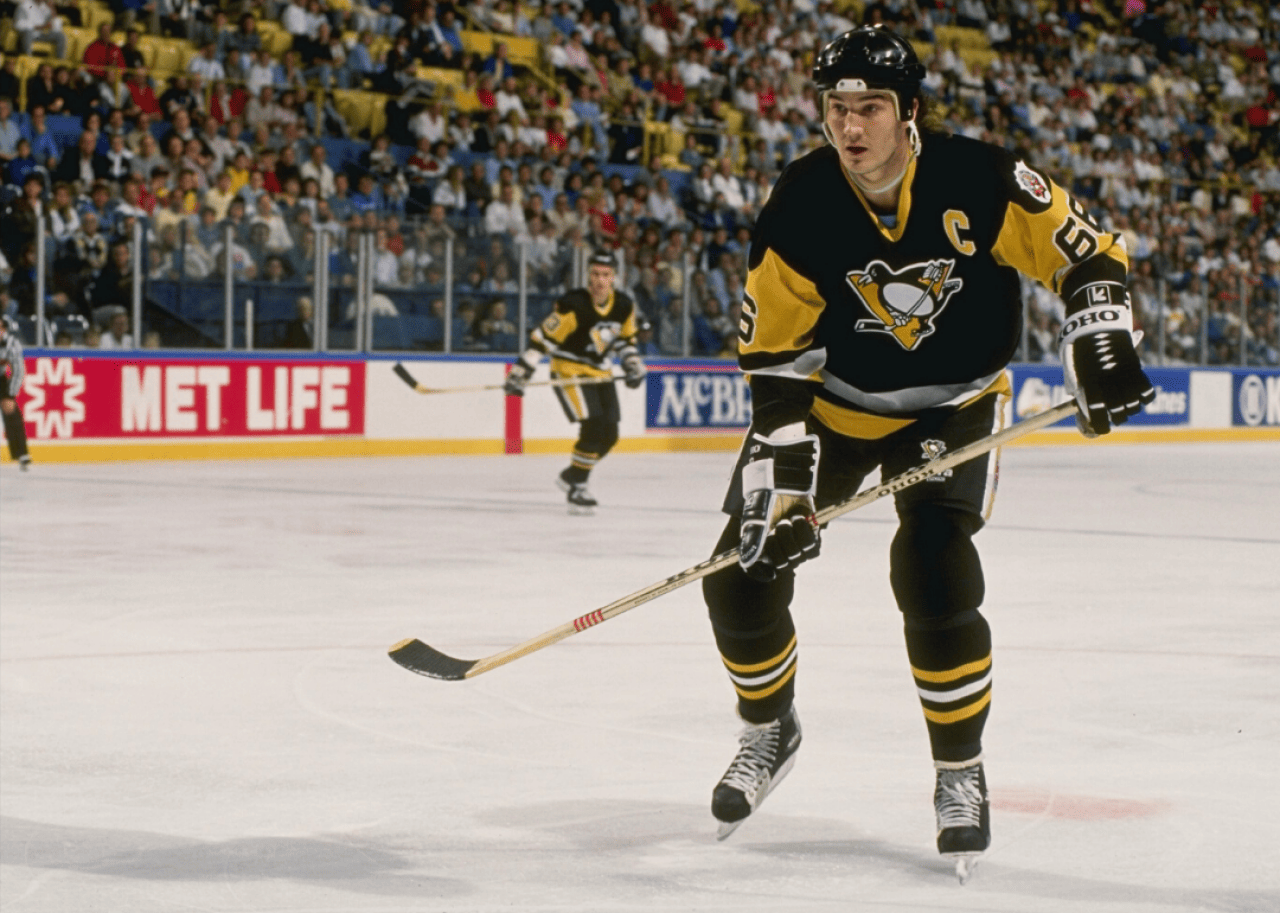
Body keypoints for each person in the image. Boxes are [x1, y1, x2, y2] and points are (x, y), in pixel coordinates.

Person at [698, 27, 1156, 877]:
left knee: (933, 559)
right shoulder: (800, 202)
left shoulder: (979, 178)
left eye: (870, 106)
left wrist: (1101, 338)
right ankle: (768, 727)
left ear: (909, 111)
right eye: (837, 107)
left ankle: (958, 769)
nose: (851, 126)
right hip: (836, 406)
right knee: (738, 570)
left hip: (955, 404)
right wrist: (784, 487)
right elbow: (775, 359)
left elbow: (1086, 254)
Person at [502, 250, 647, 513]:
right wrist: (521, 372)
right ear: (588, 275)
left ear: (614, 277)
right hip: (569, 370)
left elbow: (626, 341)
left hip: (600, 371)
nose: (600, 280)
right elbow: (542, 340)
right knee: (593, 425)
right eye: (595, 274)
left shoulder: (624, 305)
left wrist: (633, 364)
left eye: (605, 275)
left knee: (610, 434)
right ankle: (578, 487)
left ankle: (572, 475)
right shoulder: (574, 304)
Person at [1, 318, 33, 470]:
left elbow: (18, 370)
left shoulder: (11, 343)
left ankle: (21, 453)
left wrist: (10, 395)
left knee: (11, 410)